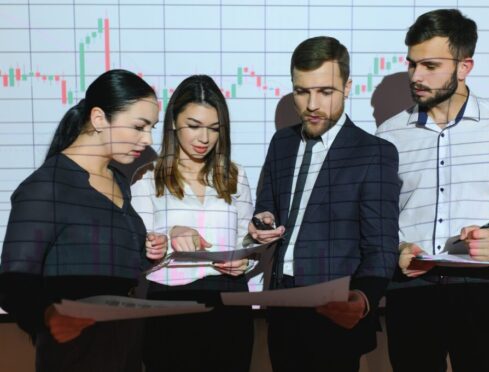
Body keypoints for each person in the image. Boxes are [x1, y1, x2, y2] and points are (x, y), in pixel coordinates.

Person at [376, 9, 489, 372]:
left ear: (464, 66)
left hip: (481, 294)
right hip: (410, 293)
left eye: (430, 66)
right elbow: (380, 215)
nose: (416, 76)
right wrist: (396, 245)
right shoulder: (389, 133)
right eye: (412, 65)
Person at [249, 36, 401, 372]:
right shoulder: (282, 142)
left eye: (325, 91)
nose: (312, 104)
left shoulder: (374, 153)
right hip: (282, 309)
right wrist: (262, 219)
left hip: (335, 313)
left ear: (348, 87)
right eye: (302, 91)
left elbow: (382, 246)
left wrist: (362, 300)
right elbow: (266, 203)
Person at [0, 69, 159, 371]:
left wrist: (149, 250)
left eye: (151, 128)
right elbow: (12, 284)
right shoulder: (46, 186)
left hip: (126, 353)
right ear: (99, 119)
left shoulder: (119, 180)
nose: (147, 139)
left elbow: (112, 264)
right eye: (140, 126)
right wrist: (48, 316)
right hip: (75, 356)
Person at [131, 75, 254, 372]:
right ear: (174, 123)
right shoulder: (147, 178)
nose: (204, 139)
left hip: (229, 303)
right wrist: (167, 235)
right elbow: (137, 247)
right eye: (194, 126)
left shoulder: (235, 175)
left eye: (214, 129)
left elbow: (246, 240)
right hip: (170, 303)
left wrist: (244, 262)